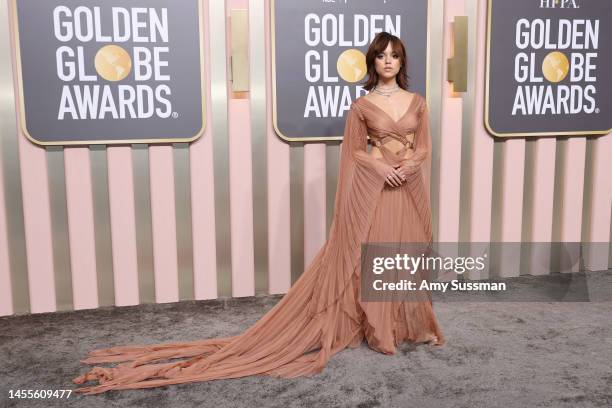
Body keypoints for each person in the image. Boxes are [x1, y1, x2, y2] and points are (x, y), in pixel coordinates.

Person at [72, 31, 444, 395]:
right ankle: (380, 330)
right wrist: (381, 169)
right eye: (381, 55)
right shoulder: (361, 106)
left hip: (405, 187)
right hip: (377, 188)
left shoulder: (417, 101)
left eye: (394, 55)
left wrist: (408, 168)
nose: (388, 61)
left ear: (402, 60)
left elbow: (424, 145)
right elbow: (355, 153)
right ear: (372, 62)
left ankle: (406, 324)